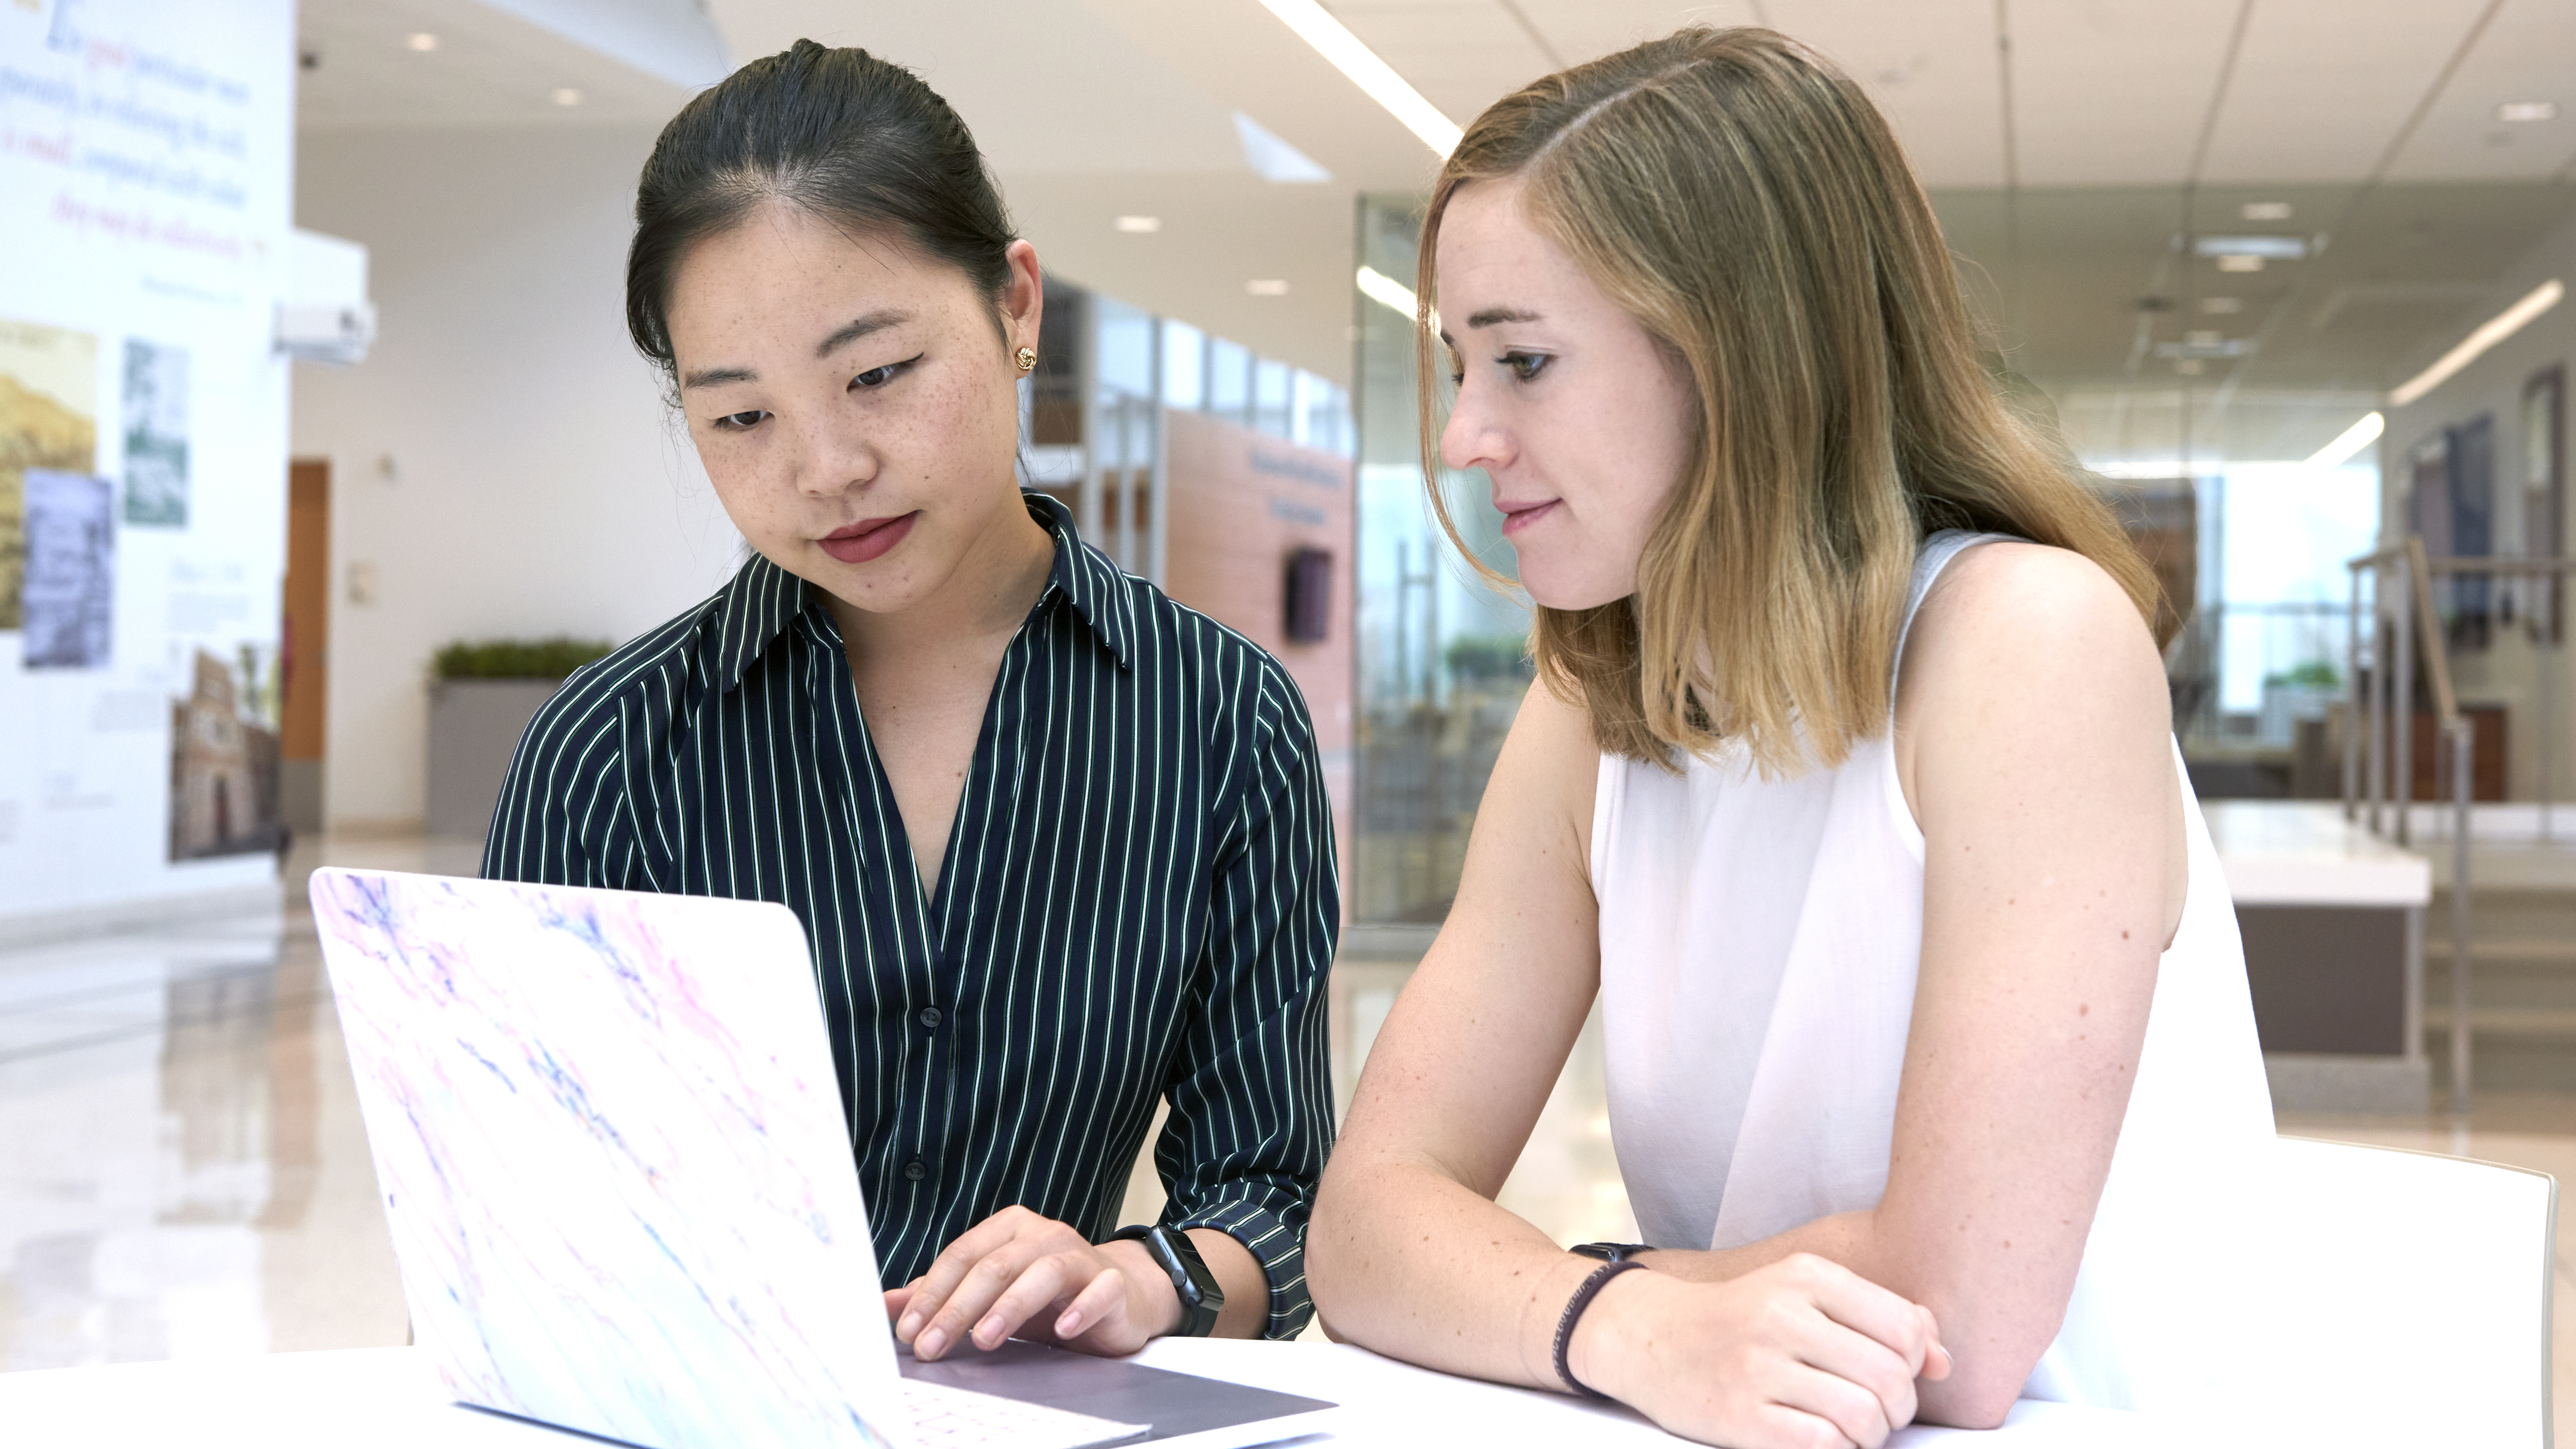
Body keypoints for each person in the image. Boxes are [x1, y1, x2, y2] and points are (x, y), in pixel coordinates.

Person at [1306, 26, 2272, 1448]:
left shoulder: (2028, 643)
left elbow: (1959, 1324)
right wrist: (1629, 1323)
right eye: (1463, 365)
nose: (1465, 436)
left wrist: (1556, 1288)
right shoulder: (1598, 700)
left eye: (1522, 362)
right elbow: (1366, 1229)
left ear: (1739, 359)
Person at [483, 40, 1338, 1360]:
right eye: (741, 420)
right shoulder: (607, 756)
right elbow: (512, 1210)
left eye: (878, 374)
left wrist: (1139, 1275)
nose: (828, 467)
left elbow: (1274, 1197)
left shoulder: (1223, 722)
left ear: (1015, 303)